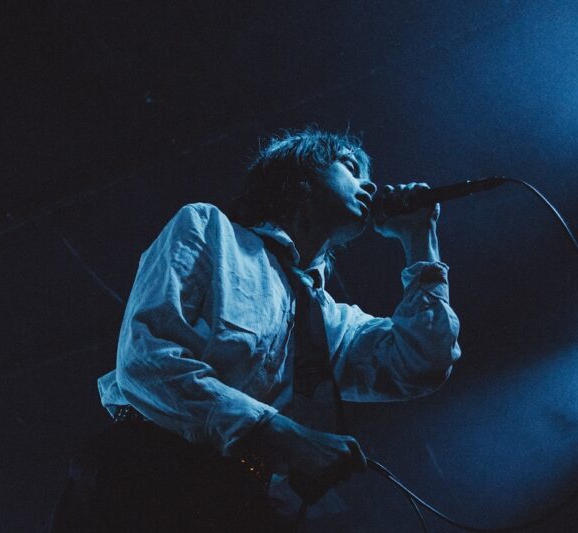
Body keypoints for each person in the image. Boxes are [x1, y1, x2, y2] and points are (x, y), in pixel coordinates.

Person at [48, 127, 461, 532]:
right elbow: (147, 359)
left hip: (233, 499)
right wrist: (280, 432)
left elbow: (422, 361)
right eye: (351, 168)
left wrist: (420, 239)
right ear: (300, 178)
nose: (369, 186)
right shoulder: (209, 228)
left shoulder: (330, 323)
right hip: (142, 473)